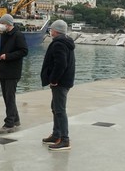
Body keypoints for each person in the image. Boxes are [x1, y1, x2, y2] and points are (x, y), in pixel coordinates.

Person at [41, 19, 75, 151]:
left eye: (51, 29)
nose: (50, 30)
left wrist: (54, 79)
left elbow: (61, 64)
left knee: (60, 110)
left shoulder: (59, 44)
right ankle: (56, 135)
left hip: (60, 82)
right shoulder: (65, 42)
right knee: (55, 107)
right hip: (65, 80)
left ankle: (65, 140)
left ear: (56, 30)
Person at [0, 14, 28, 134]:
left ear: (8, 24)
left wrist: (8, 56)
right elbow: (2, 51)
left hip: (12, 71)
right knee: (7, 97)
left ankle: (9, 124)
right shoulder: (4, 35)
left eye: (2, 23)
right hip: (3, 70)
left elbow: (24, 51)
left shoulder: (18, 35)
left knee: (9, 97)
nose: (1, 25)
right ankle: (15, 119)